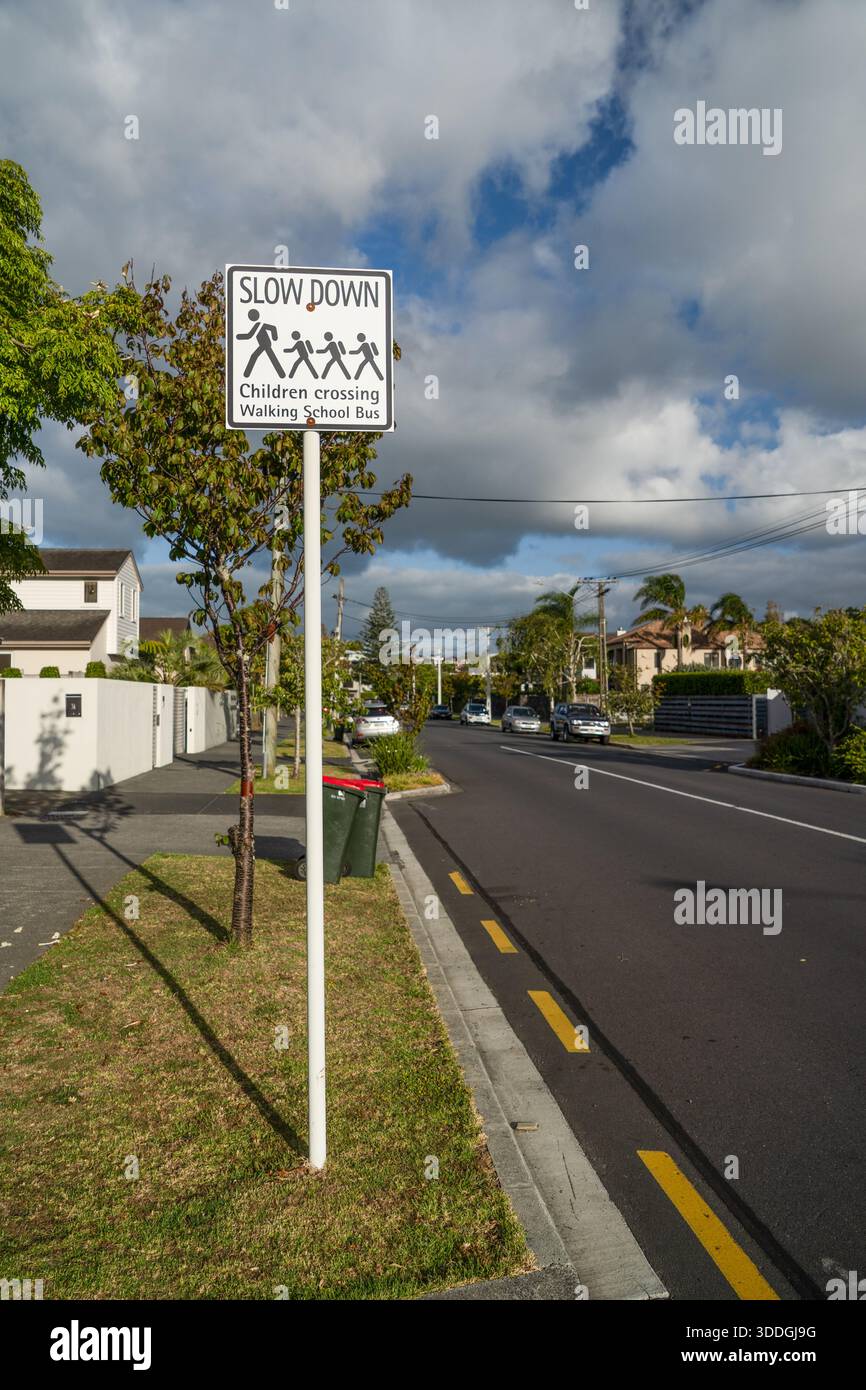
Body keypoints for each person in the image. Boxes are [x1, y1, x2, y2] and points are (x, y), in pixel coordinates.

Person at [237, 309, 285, 378]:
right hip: (263, 344)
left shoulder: (260, 325)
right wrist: (238, 336)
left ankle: (246, 374)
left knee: (256, 356)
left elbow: (273, 328)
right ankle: (282, 374)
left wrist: (275, 337)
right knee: (269, 357)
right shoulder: (257, 325)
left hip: (266, 344)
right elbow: (249, 335)